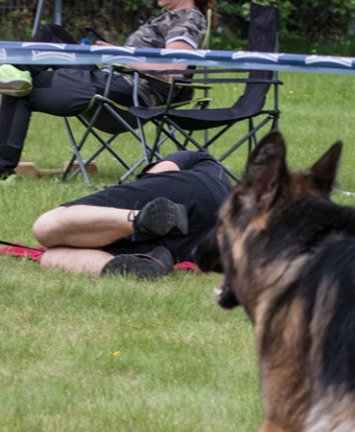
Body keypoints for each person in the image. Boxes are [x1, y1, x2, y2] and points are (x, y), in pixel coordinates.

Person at [0, 0, 213, 181]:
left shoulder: (187, 20)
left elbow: (172, 72)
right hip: (113, 81)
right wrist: (115, 52)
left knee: (20, 88)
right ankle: (14, 71)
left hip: (129, 95)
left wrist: (119, 54)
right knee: (53, 34)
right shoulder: (166, 17)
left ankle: (2, 170)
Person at [33, 150, 231, 279]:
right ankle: (137, 266)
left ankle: (140, 219)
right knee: (50, 257)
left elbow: (155, 176)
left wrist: (121, 193)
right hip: (200, 244)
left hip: (198, 194)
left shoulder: (198, 159)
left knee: (45, 226)